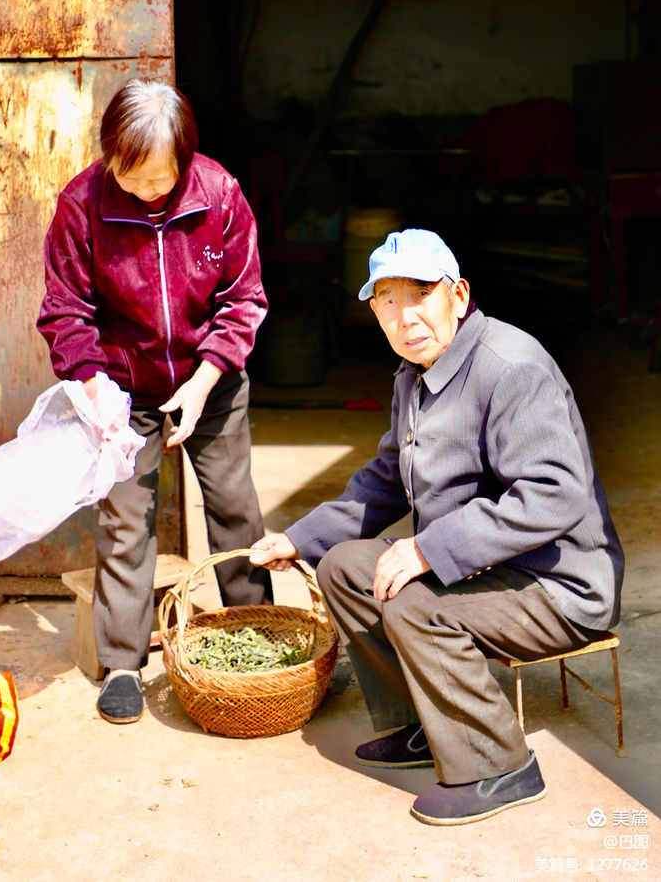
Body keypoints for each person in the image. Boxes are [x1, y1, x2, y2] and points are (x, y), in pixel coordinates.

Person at [250, 228, 624, 826]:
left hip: (557, 586)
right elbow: (386, 477)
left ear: (459, 294)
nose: (406, 317)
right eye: (388, 301)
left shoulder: (511, 367)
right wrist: (300, 539)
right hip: (487, 569)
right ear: (374, 313)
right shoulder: (415, 372)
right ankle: (428, 724)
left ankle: (500, 767)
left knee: (412, 602)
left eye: (422, 293)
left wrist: (429, 549)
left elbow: (555, 495)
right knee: (344, 567)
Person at [38, 78, 272, 724]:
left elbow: (243, 300)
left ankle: (261, 631)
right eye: (132, 176)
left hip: (211, 380)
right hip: (122, 389)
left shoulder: (219, 194)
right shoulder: (82, 204)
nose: (146, 190)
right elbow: (66, 312)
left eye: (160, 178)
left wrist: (203, 382)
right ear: (110, 155)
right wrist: (97, 394)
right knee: (125, 521)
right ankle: (123, 663)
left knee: (235, 507)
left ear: (185, 160)